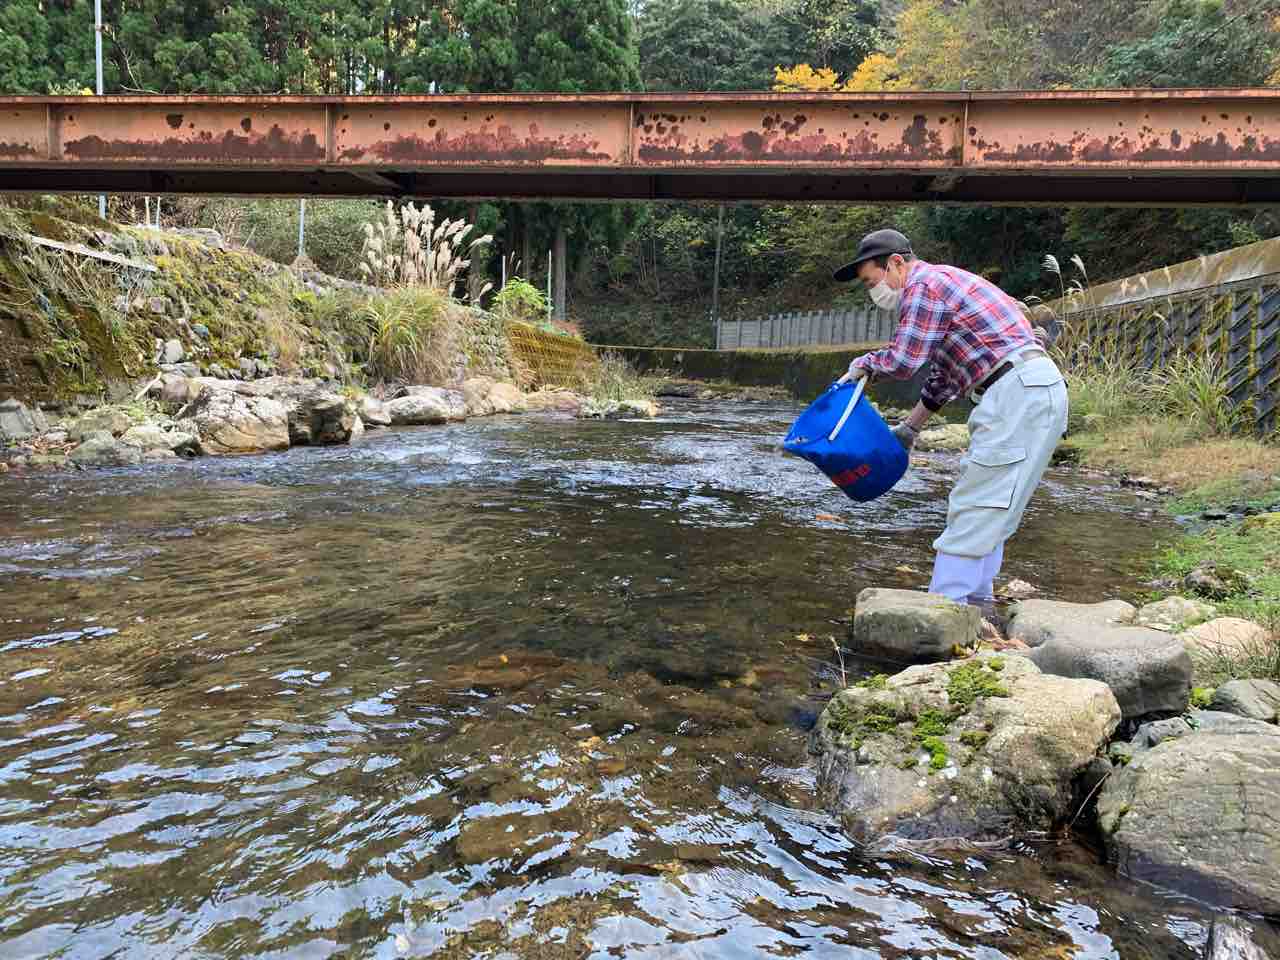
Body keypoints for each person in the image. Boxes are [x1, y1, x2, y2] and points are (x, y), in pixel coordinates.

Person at [833, 229, 1067, 612]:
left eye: (871, 282)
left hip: (1016, 392)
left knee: (975, 505)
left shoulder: (923, 286)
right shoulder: (948, 282)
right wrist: (910, 428)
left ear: (895, 263)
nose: (873, 292)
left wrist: (864, 365)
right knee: (997, 506)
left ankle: (943, 611)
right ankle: (978, 606)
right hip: (1036, 388)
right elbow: (942, 378)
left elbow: (903, 361)